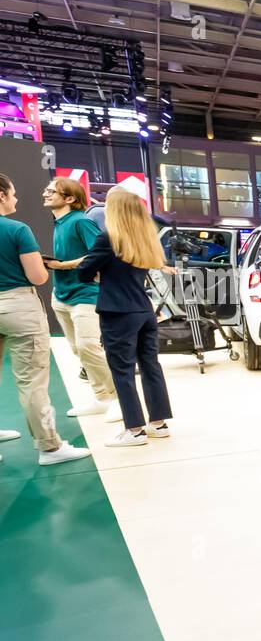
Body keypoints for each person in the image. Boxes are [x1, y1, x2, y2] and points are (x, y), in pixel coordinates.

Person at [0, 173, 93, 466]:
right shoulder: (17, 230)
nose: (16, 199)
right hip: (18, 308)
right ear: (1, 196)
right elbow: (38, 276)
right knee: (32, 382)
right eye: (13, 194)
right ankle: (49, 448)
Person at [77, 187, 173, 447]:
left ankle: (134, 430)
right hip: (144, 310)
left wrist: (98, 272)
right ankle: (159, 423)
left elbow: (84, 273)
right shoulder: (146, 239)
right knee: (151, 366)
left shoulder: (109, 238)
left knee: (122, 371)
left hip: (118, 312)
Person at [41, 177, 118, 418]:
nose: (46, 193)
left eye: (52, 191)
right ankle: (100, 398)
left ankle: (118, 398)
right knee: (78, 350)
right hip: (62, 295)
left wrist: (63, 266)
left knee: (88, 348)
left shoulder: (80, 221)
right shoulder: (59, 222)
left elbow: (99, 255)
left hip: (85, 294)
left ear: (70, 198)